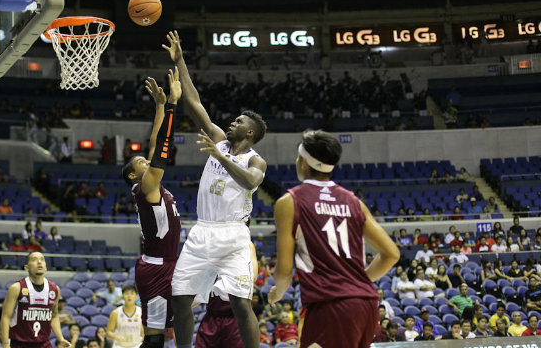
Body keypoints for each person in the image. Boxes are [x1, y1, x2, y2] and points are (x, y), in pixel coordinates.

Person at [164, 30, 268, 348]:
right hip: (202, 231)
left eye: (238, 121)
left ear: (249, 131)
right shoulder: (219, 140)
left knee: (240, 302)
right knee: (180, 298)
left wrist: (219, 158)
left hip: (233, 234)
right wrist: (181, 61)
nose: (231, 123)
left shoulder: (255, 160)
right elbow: (194, 102)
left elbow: (250, 182)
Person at [268, 130, 400, 348]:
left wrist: (277, 292)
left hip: (331, 307)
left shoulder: (290, 201)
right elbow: (391, 254)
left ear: (303, 162)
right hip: (366, 305)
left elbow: (283, 271)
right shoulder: (353, 201)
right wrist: (356, 284)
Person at [120, 69, 183, 348]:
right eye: (141, 163)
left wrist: (158, 106)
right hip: (156, 269)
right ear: (134, 176)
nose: (147, 162)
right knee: (155, 337)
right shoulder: (147, 188)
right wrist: (172, 105)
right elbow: (161, 151)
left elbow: (154, 145)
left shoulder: (149, 185)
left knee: (174, 326)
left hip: (170, 263)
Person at [0, 252, 70, 348]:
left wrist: (60, 338)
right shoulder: (16, 288)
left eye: (42, 259)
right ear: (26, 267)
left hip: (44, 344)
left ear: (46, 267)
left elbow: (54, 316)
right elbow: (5, 317)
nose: (39, 262)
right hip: (20, 344)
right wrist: (5, 344)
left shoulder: (54, 289)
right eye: (34, 259)